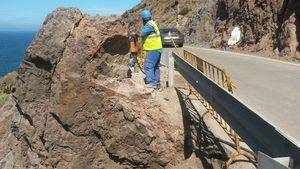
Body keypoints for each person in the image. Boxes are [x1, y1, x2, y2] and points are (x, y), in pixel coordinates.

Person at [139, 9, 163, 90]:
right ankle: (157, 84)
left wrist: (133, 34)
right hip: (158, 49)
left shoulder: (149, 25)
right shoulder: (153, 23)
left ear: (143, 19)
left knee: (148, 66)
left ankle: (152, 83)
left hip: (153, 49)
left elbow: (140, 34)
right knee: (155, 67)